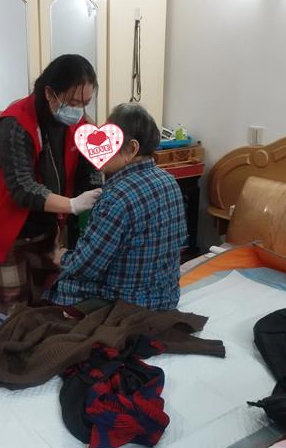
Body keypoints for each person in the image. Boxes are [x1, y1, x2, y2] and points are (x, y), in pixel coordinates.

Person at [0, 54, 102, 312]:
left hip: (47, 227)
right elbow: (22, 188)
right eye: (73, 102)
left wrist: (96, 189)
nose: (79, 111)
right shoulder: (14, 123)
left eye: (85, 103)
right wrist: (72, 205)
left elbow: (88, 170)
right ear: (50, 93)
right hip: (4, 226)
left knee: (48, 303)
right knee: (10, 312)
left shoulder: (81, 125)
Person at [45, 103, 187, 310]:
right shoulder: (169, 181)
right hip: (166, 298)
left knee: (57, 285)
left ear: (132, 149)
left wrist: (61, 256)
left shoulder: (117, 196)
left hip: (126, 304)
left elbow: (86, 267)